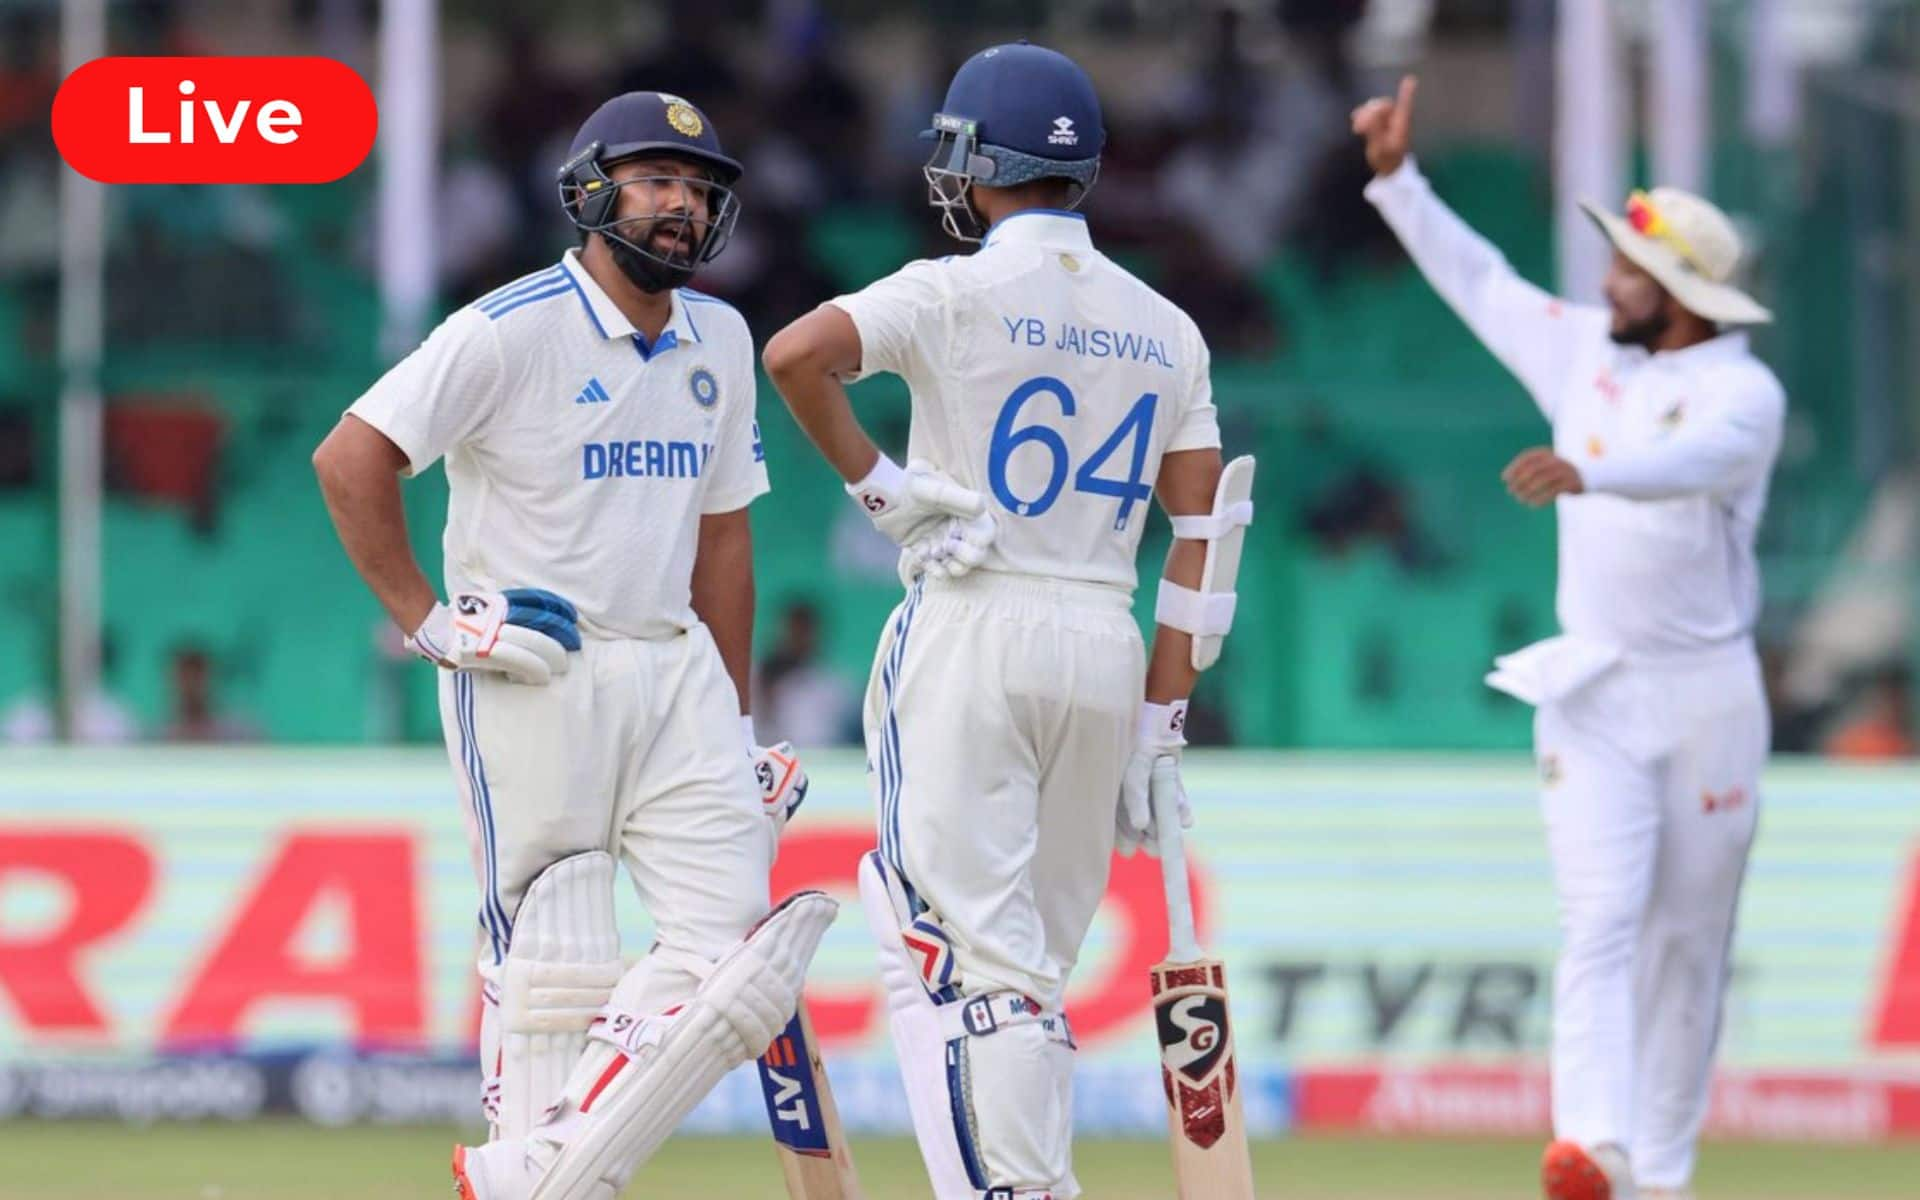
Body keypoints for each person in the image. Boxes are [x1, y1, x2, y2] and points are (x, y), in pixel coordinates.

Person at [312, 91, 830, 1200]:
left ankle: (541, 1168)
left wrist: (739, 723)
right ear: (592, 191)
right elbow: (349, 459)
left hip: (678, 665)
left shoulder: (723, 338)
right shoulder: (505, 329)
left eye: (700, 191)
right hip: (535, 671)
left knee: (735, 959)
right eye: (657, 183)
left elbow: (726, 540)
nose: (684, 207)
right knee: (551, 963)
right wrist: (431, 623)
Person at [764, 42, 1250, 1199]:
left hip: (974, 620)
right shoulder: (1167, 327)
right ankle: (1028, 1178)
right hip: (1105, 636)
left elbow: (793, 357)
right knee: (1028, 970)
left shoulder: (949, 288)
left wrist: (880, 488)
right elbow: (1201, 538)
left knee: (947, 952)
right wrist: (1162, 722)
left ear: (983, 163)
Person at [1354, 77, 1785, 1200]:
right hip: (1591, 682)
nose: (1608, 282)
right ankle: (1593, 1149)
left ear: (1683, 293)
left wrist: (1593, 471)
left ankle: (1663, 1177)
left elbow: (1694, 466)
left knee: (1685, 948)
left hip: (1707, 699)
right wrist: (1399, 183)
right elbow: (1480, 283)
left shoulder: (1745, 393)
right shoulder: (1583, 350)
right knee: (1596, 917)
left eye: (1632, 272)